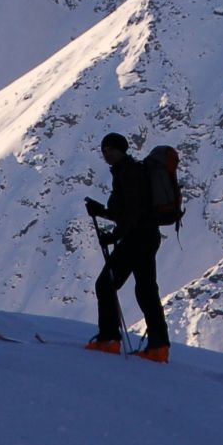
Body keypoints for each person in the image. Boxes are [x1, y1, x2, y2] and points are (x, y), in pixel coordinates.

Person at [84, 131, 170, 362]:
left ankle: (110, 339)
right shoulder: (129, 171)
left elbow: (132, 213)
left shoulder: (128, 173)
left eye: (110, 149)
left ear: (121, 149)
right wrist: (102, 211)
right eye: (104, 150)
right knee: (146, 290)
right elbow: (128, 212)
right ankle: (159, 346)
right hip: (146, 236)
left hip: (137, 238)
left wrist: (114, 237)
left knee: (106, 284)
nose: (106, 153)